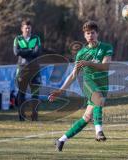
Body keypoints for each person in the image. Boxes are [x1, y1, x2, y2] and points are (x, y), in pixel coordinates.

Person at [48, 20, 113, 152]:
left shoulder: (106, 47)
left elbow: (105, 66)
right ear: (84, 36)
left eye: (93, 33)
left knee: (87, 117)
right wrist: (60, 90)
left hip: (103, 85)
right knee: (98, 99)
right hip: (87, 82)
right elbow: (73, 75)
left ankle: (61, 140)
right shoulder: (81, 53)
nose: (90, 35)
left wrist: (88, 63)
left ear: (97, 34)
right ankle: (99, 132)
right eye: (88, 33)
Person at [13, 19, 41, 121]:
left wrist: (23, 51)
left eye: (29, 27)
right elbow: (16, 52)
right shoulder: (18, 39)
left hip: (35, 70)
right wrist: (30, 50)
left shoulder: (36, 38)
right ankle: (21, 117)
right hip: (22, 70)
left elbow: (37, 52)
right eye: (26, 28)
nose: (28, 29)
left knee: (35, 94)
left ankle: (34, 116)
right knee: (21, 94)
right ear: (22, 29)